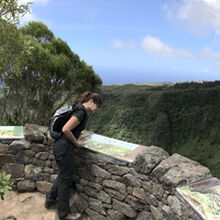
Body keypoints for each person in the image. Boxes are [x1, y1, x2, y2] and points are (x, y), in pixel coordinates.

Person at [45, 91, 102, 220]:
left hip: (59, 145)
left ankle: (50, 200)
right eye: (97, 106)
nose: (97, 109)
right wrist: (76, 143)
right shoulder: (81, 112)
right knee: (66, 180)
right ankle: (64, 214)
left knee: (63, 175)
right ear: (92, 101)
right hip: (65, 148)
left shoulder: (76, 106)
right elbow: (66, 129)